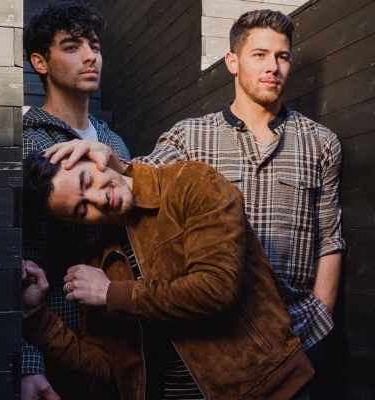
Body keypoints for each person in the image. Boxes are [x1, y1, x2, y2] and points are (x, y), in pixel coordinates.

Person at [45, 9, 345, 396]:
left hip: (299, 337)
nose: (272, 66)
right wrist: (108, 160)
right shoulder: (190, 137)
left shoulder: (321, 142)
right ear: (232, 62)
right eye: (259, 54)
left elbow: (329, 238)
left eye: (282, 56)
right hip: (224, 335)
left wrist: (320, 317)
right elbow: (143, 186)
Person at [22, 151, 314, 400]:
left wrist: (111, 292)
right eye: (81, 209)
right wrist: (37, 318)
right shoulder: (97, 263)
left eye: (87, 181)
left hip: (267, 388)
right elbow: (103, 373)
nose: (99, 199)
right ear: (74, 223)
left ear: (93, 158)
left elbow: (215, 290)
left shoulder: (191, 181)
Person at [22, 2, 130, 399]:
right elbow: (24, 265)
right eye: (72, 46)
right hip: (63, 344)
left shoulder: (113, 141)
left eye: (94, 46)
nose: (90, 56)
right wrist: (29, 364)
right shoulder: (31, 143)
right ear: (40, 62)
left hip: (123, 333)